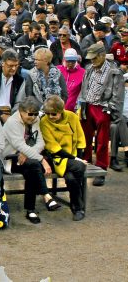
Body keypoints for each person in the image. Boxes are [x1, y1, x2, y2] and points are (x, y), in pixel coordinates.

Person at [0, 97, 61, 224]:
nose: (33, 117)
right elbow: (19, 145)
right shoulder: (12, 122)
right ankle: (46, 196)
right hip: (10, 158)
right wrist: (41, 160)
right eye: (30, 114)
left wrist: (27, 154)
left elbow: (41, 143)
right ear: (21, 111)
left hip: (28, 157)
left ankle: (31, 210)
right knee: (35, 165)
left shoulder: (36, 119)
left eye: (35, 113)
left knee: (32, 170)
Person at [77, 42, 125, 181]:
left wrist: (110, 109)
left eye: (95, 57)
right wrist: (81, 104)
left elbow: (118, 94)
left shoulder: (114, 71)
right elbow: (84, 88)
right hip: (88, 105)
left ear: (103, 55)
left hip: (103, 108)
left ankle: (101, 169)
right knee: (84, 137)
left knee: (102, 141)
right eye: (91, 58)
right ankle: (85, 163)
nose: (92, 60)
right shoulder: (89, 69)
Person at [39, 95, 88, 221]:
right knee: (80, 166)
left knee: (71, 177)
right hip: (55, 158)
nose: (50, 116)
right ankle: (78, 207)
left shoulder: (72, 117)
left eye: (54, 114)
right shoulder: (44, 121)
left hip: (72, 157)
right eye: (47, 113)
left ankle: (76, 206)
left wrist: (78, 157)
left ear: (61, 111)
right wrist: (76, 160)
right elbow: (52, 146)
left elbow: (81, 139)